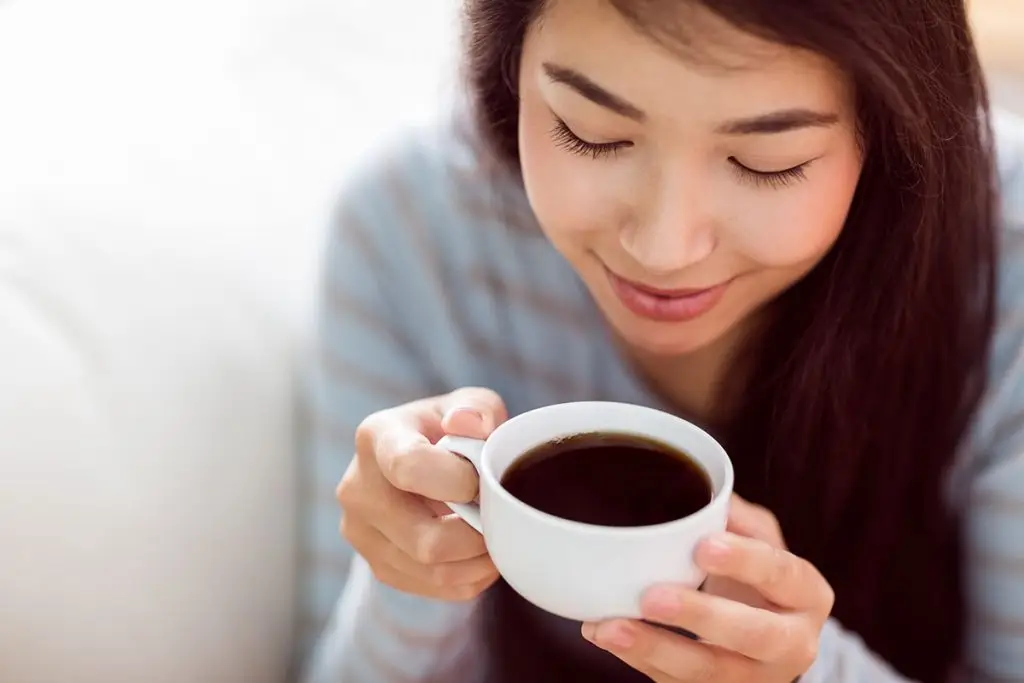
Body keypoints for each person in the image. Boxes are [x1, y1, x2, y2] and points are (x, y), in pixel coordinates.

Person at [300, 0, 1024, 681]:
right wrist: (410, 573)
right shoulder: (412, 233)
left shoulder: (1007, 274)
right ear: (508, 67)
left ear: (892, 132)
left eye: (766, 161)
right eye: (591, 132)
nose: (664, 247)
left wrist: (810, 671)